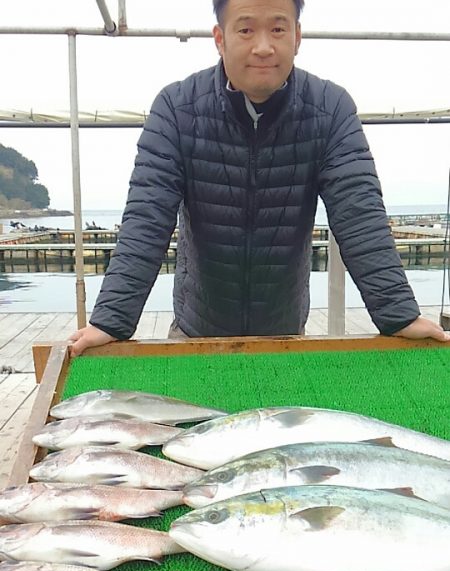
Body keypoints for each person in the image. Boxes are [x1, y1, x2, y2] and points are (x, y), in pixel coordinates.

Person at [69, 0, 449, 356]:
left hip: (284, 332)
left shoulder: (331, 110)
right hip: (196, 329)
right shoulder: (176, 108)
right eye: (246, 30)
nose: (264, 47)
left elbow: (359, 213)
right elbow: (147, 217)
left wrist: (399, 314)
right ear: (220, 39)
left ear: (297, 36)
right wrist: (112, 320)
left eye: (278, 29)